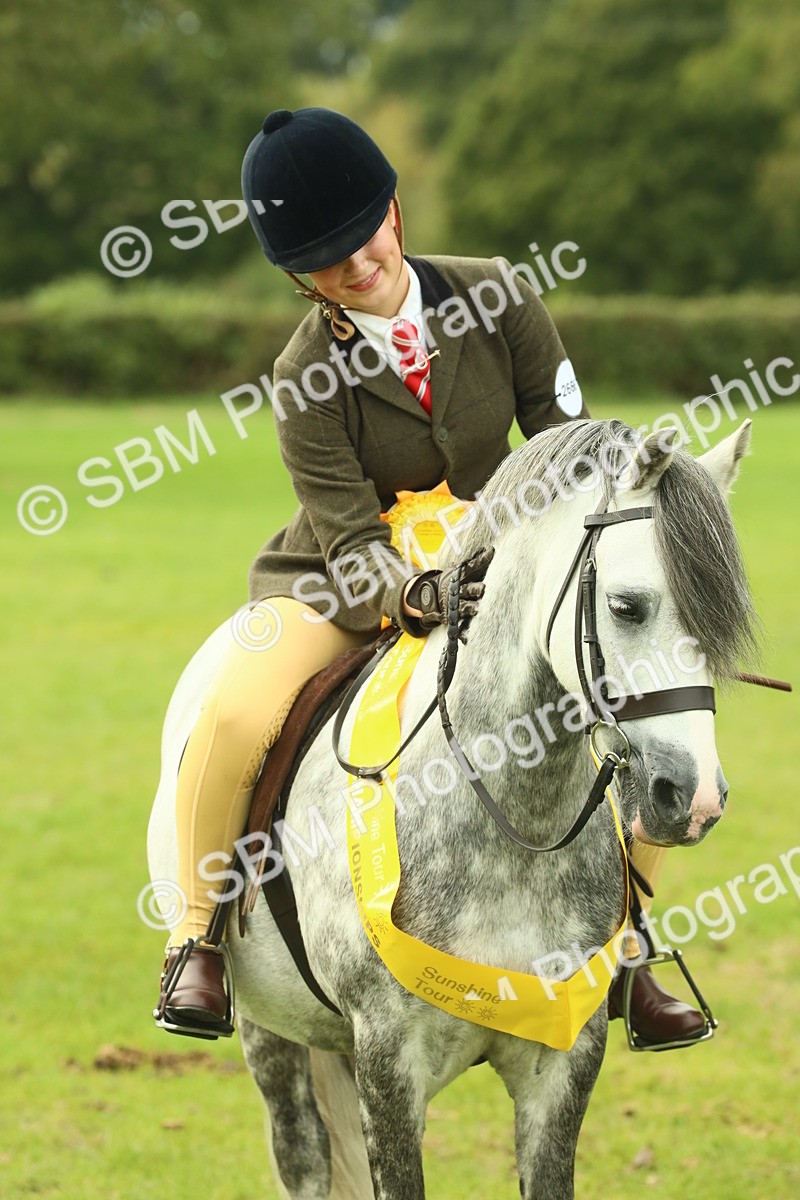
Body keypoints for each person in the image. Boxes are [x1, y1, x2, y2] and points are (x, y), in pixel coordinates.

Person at [153, 106, 705, 1047]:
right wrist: (412, 597)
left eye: (358, 235)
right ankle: (198, 936)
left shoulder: (499, 295)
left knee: (629, 698)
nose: (352, 265)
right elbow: (346, 534)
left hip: (503, 566)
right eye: (322, 257)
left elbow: (569, 448)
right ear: (296, 275)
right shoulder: (300, 377)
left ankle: (630, 946)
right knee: (236, 712)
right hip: (345, 578)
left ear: (394, 212)